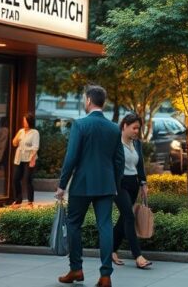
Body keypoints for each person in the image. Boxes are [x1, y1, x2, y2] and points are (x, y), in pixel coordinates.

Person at [55, 85, 125, 287]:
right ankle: (105, 276)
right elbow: (119, 161)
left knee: (74, 224)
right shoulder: (114, 128)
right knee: (105, 227)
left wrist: (62, 184)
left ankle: (76, 269)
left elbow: (71, 158)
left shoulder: (80, 125)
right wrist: (115, 182)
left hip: (82, 184)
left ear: (88, 101)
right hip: (106, 185)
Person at [111, 113, 153, 270]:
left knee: (124, 218)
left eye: (138, 128)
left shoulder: (137, 144)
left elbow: (140, 164)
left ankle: (111, 250)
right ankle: (138, 256)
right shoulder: (115, 143)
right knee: (129, 216)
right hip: (118, 184)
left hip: (133, 183)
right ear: (124, 126)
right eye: (134, 128)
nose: (137, 131)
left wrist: (143, 183)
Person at [10, 113, 40, 207]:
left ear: (29, 122)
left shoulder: (35, 132)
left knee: (27, 179)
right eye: (23, 120)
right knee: (15, 179)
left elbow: (35, 147)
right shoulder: (21, 131)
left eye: (25, 121)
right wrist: (17, 138)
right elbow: (14, 144)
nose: (24, 122)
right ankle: (18, 200)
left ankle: (30, 201)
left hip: (29, 158)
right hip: (19, 158)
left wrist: (32, 160)